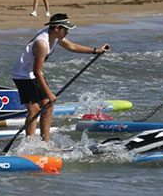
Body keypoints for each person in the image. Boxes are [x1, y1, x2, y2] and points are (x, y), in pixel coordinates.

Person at [11, 14, 109, 142]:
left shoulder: (55, 36)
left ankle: (45, 143)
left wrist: (96, 50)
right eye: (65, 29)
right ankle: (29, 143)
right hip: (22, 76)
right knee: (34, 110)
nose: (67, 32)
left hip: (32, 74)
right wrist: (49, 93)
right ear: (57, 28)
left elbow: (72, 46)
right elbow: (37, 71)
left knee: (48, 106)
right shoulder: (42, 43)